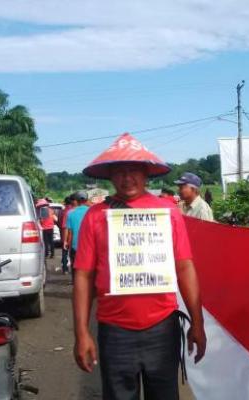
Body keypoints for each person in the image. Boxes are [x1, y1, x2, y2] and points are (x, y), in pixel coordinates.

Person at [72, 133, 206, 400]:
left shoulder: (168, 213)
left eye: (134, 170)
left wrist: (198, 322)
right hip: (114, 330)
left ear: (146, 174)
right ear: (110, 176)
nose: (127, 177)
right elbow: (84, 277)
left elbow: (184, 268)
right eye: (119, 171)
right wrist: (82, 333)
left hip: (162, 328)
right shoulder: (95, 217)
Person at [65, 191, 89, 276]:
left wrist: (69, 246)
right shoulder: (91, 212)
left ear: (76, 201)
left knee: (75, 271)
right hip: (89, 247)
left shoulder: (71, 214)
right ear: (86, 200)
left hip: (75, 247)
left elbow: (70, 233)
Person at [59, 195, 77, 274]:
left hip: (64, 233)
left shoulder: (63, 211)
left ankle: (65, 268)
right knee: (73, 253)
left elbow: (61, 224)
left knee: (65, 252)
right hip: (74, 235)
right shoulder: (74, 211)